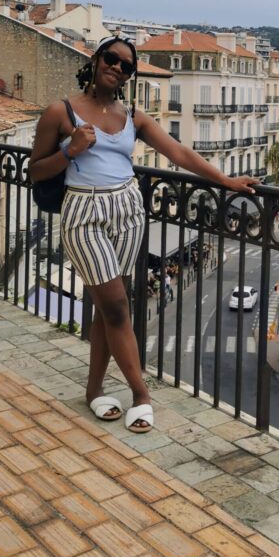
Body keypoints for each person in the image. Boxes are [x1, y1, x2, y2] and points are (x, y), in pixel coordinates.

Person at [29, 36, 257, 434]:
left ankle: (94, 390)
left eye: (126, 66)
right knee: (117, 307)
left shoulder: (133, 116)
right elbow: (34, 171)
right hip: (83, 213)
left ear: (129, 76)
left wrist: (225, 181)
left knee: (106, 306)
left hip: (128, 213)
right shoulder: (60, 113)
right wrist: (70, 151)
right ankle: (141, 394)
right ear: (96, 60)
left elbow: (179, 153)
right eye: (112, 59)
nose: (117, 68)